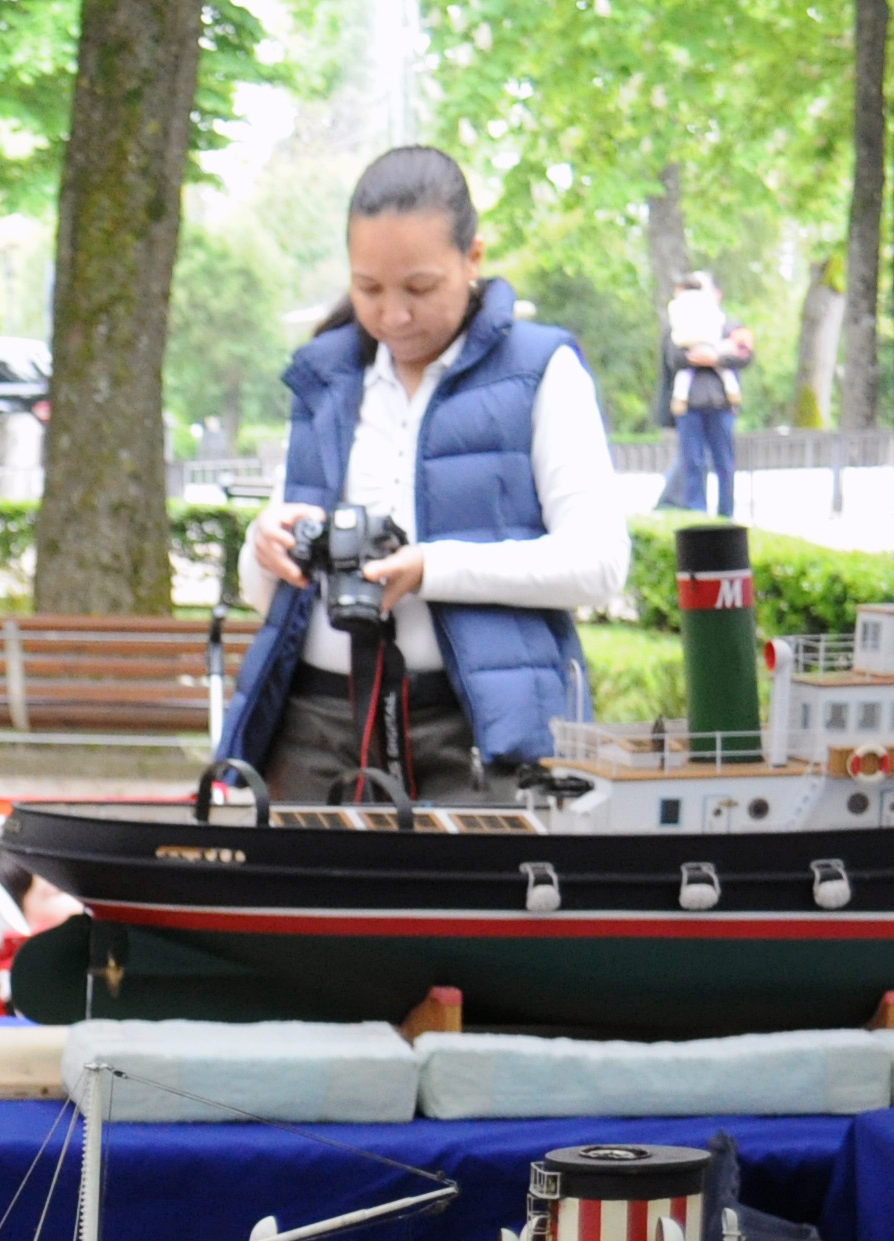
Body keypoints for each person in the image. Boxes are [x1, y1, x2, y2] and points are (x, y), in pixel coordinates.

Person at [217, 145, 632, 810]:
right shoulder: (326, 374)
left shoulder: (542, 369)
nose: (393, 316)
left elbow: (600, 563)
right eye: (368, 288)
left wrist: (431, 569)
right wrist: (263, 546)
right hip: (315, 729)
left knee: (472, 887)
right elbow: (266, 594)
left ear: (473, 258)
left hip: (482, 735)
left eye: (419, 288)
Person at [661, 270, 750, 521]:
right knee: (693, 462)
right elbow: (673, 358)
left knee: (724, 462)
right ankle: (696, 514)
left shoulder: (731, 324)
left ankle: (726, 515)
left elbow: (745, 354)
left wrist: (716, 357)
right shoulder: (678, 325)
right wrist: (703, 355)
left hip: (722, 404)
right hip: (688, 404)